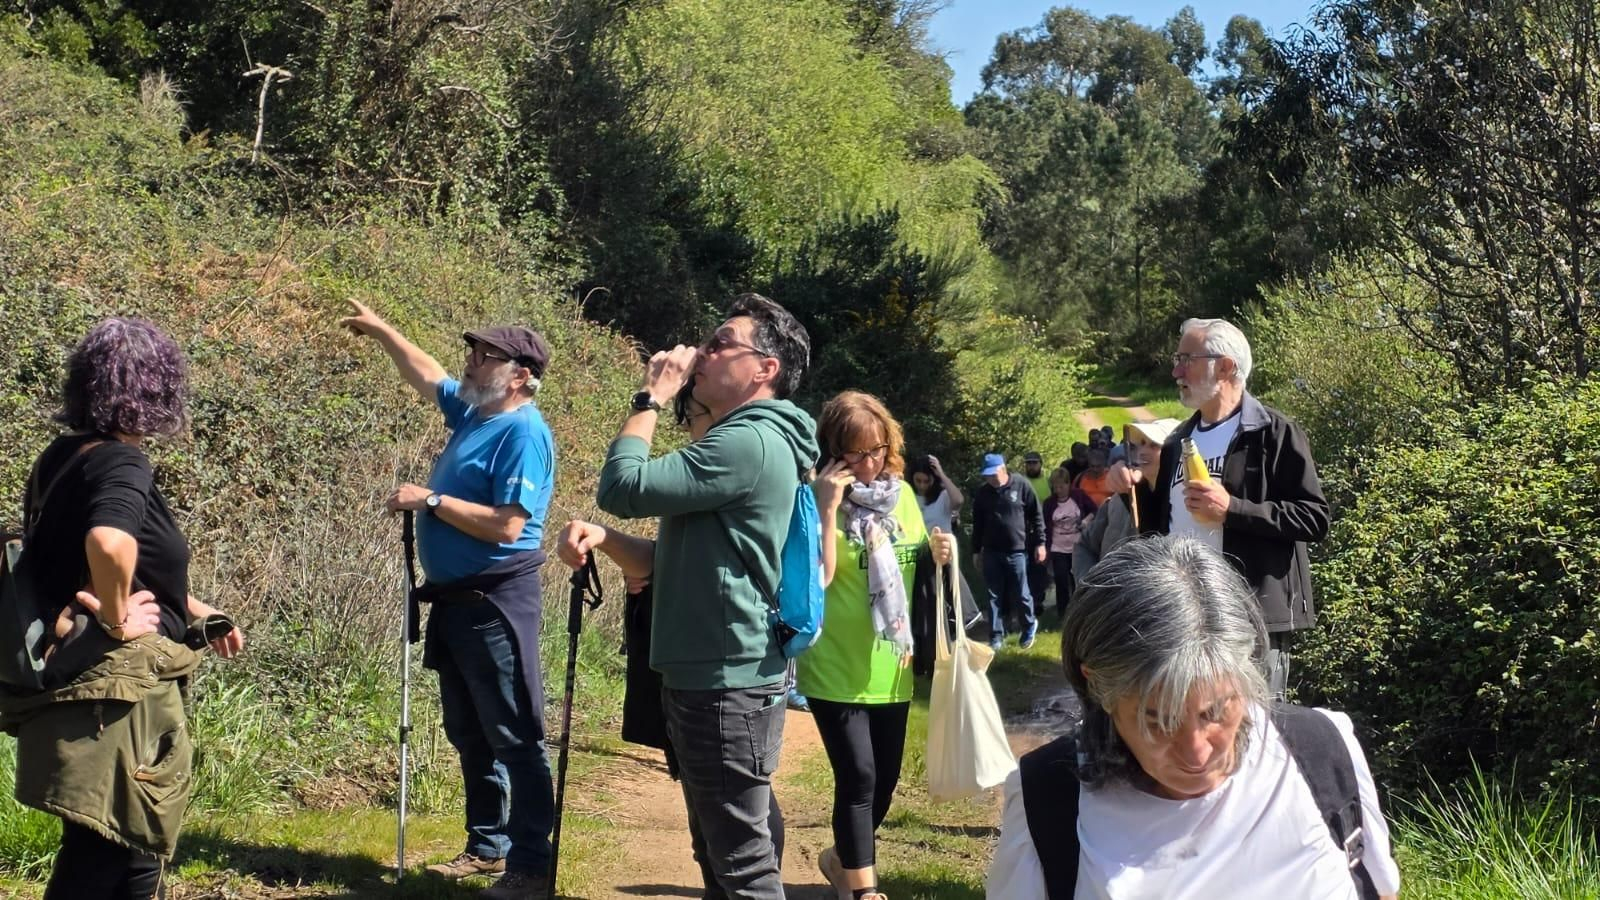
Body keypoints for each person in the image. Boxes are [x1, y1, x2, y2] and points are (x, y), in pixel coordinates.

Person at [986, 536, 1400, 900]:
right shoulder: (1049, 799)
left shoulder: (1323, 750)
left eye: (1216, 711)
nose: (1196, 752)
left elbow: (1381, 891)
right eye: (1159, 721)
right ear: (1100, 690)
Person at [3, 316, 244, 900]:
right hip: (116, 688)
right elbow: (109, 544)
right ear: (158, 389)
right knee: (108, 850)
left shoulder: (62, 457)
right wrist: (117, 619)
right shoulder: (121, 462)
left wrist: (188, 606)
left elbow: (87, 560)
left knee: (131, 853)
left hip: (83, 681)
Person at [597, 293, 819, 899]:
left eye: (722, 343)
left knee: (741, 865)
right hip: (722, 668)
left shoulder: (746, 442)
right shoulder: (748, 441)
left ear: (764, 369)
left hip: (724, 677)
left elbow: (623, 484)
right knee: (727, 850)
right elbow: (679, 558)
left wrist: (652, 397)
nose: (702, 352)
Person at [342, 300, 556, 900]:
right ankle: (488, 846)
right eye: (474, 350)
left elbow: (511, 526)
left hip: (496, 603)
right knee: (469, 731)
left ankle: (532, 866)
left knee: (515, 734)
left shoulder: (523, 432)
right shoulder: (475, 414)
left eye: (487, 354)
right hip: (456, 603)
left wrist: (430, 502)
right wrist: (385, 328)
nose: (472, 359)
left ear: (520, 374)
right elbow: (427, 371)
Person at [1111, 318, 1330, 697]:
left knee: (1255, 733)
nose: (1176, 370)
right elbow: (1156, 532)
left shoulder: (1273, 433)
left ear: (1226, 366)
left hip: (1250, 618)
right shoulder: (1178, 440)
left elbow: (1314, 518)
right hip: (1186, 617)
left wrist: (1233, 509)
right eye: (1177, 359)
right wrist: (1132, 490)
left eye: (1187, 359)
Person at [800, 392, 956, 900]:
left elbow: (916, 569)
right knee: (859, 776)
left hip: (893, 665)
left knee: (884, 781)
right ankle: (864, 892)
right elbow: (817, 578)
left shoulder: (904, 498)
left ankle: (841, 861)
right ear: (833, 452)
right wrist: (825, 509)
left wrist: (941, 553)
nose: (867, 465)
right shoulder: (812, 500)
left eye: (875, 450)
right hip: (834, 666)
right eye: (854, 453)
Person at [1073, 419, 1179, 575]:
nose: (1143, 451)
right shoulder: (1119, 500)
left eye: (1154, 445)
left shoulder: (1188, 505)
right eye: (1139, 444)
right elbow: (1084, 545)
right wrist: (1091, 590)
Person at [970, 453, 1045, 650]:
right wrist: (976, 551)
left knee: (1022, 593)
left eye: (992, 474)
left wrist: (1040, 543)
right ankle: (995, 635)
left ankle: (1029, 626)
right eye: (986, 476)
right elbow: (978, 524)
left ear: (1002, 469)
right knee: (993, 595)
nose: (990, 479)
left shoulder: (1021, 485)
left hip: (1017, 551)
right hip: (992, 551)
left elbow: (1036, 515)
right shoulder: (983, 494)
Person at [1041, 466, 1095, 615]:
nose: (1058, 490)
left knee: (1076, 578)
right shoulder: (1049, 503)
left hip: (1077, 545)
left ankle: (1080, 609)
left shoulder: (1078, 495)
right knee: (1061, 580)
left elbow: (1094, 510)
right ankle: (1063, 612)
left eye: (1061, 486)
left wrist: (1085, 522)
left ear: (1068, 484)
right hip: (1058, 547)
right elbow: (1045, 525)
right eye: (1055, 486)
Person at [1020, 451, 1053, 612]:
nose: (1031, 466)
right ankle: (1026, 599)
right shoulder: (1021, 483)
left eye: (1034, 463)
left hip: (1044, 529)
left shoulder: (1048, 483)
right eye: (1028, 463)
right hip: (1024, 530)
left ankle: (1038, 600)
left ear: (1040, 464)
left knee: (1040, 566)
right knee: (1025, 567)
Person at [909, 454, 963, 536]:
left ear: (934, 478)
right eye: (918, 480)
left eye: (926, 481)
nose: (922, 486)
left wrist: (941, 474)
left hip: (941, 545)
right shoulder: (908, 495)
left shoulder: (943, 495)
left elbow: (958, 501)